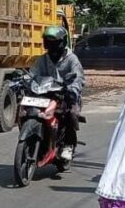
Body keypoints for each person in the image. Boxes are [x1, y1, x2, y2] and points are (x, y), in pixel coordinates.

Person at [30, 25, 85, 161]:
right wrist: (24, 81)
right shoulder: (42, 59)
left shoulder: (72, 59)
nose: (51, 46)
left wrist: (73, 90)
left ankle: (68, 145)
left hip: (66, 95)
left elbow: (78, 77)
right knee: (28, 110)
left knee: (71, 114)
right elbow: (33, 74)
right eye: (48, 42)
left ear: (63, 42)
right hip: (46, 95)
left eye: (54, 42)